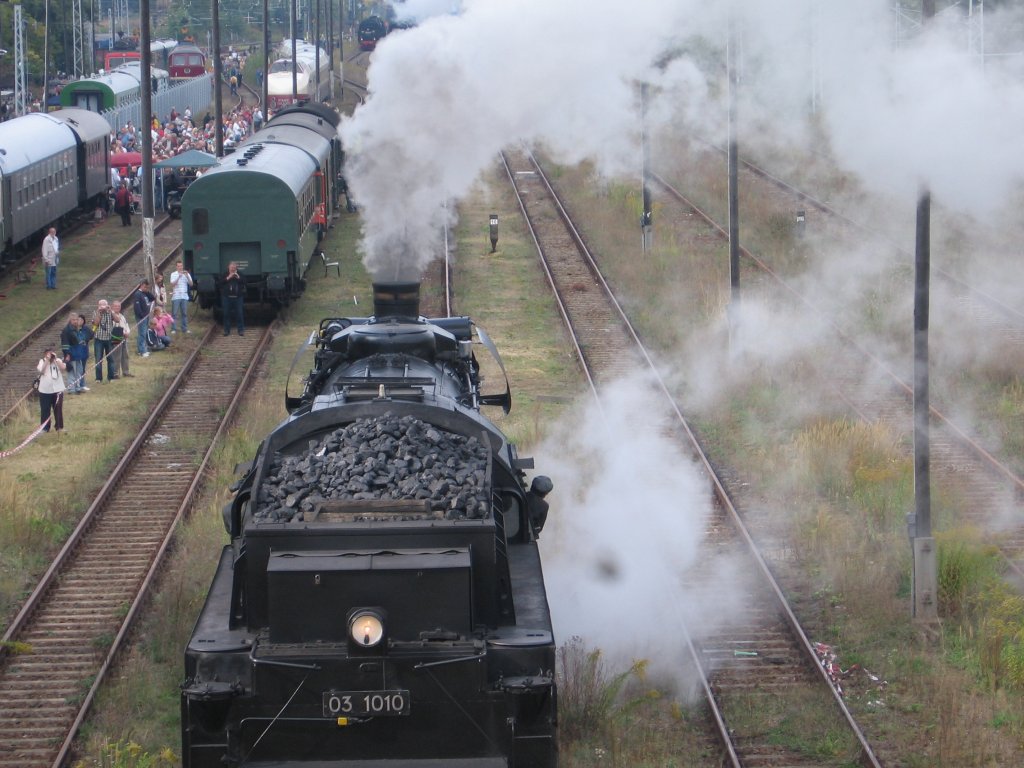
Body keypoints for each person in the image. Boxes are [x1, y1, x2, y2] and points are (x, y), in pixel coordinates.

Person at [36, 349, 67, 433]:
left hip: (58, 390)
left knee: (58, 409)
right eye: (48, 354)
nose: (50, 356)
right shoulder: (42, 361)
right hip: (45, 390)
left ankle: (59, 427)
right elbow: (41, 371)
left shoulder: (58, 361)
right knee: (45, 409)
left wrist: (56, 360)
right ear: (45, 355)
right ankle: (45, 428)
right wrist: (47, 360)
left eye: (51, 354)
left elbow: (63, 368)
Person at [91, 299, 117, 382]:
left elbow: (117, 320)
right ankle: (98, 378)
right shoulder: (96, 313)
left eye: (104, 305)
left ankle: (111, 377)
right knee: (98, 359)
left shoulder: (110, 312)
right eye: (101, 305)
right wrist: (99, 313)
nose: (102, 307)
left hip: (109, 338)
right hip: (99, 339)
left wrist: (111, 311)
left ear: (107, 305)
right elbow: (95, 323)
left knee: (111, 359)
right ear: (98, 306)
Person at [131, 279, 156, 357]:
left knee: (144, 333)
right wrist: (141, 315)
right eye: (145, 287)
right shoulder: (137, 294)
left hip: (146, 316)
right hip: (141, 317)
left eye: (147, 287)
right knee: (142, 334)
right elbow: (137, 307)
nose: (146, 289)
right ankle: (142, 351)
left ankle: (141, 349)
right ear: (141, 285)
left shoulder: (145, 294)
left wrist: (147, 291)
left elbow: (153, 298)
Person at [221, 261, 245, 336]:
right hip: (227, 297)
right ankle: (226, 330)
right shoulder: (225, 274)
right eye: (231, 268)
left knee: (239, 314)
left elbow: (245, 282)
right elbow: (220, 283)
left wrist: (238, 278)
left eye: (234, 268)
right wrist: (228, 277)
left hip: (238, 298)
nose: (232, 269)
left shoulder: (240, 274)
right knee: (226, 314)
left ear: (236, 268)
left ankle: (240, 330)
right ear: (228, 267)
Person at [110, 300, 133, 377]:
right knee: (116, 356)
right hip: (116, 338)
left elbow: (126, 325)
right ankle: (115, 373)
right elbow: (112, 327)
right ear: (112, 307)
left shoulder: (122, 316)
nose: (117, 308)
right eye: (115, 306)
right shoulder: (110, 316)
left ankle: (126, 371)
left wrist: (127, 332)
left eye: (119, 306)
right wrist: (123, 333)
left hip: (124, 338)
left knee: (125, 355)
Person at [169, 259, 193, 333]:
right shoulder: (173, 274)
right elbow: (172, 284)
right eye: (178, 266)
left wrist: (187, 276)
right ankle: (173, 329)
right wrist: (178, 277)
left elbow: (191, 284)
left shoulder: (186, 274)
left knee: (184, 313)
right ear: (176, 267)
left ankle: (184, 328)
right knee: (175, 313)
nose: (180, 267)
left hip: (184, 296)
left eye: (181, 266)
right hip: (176, 296)